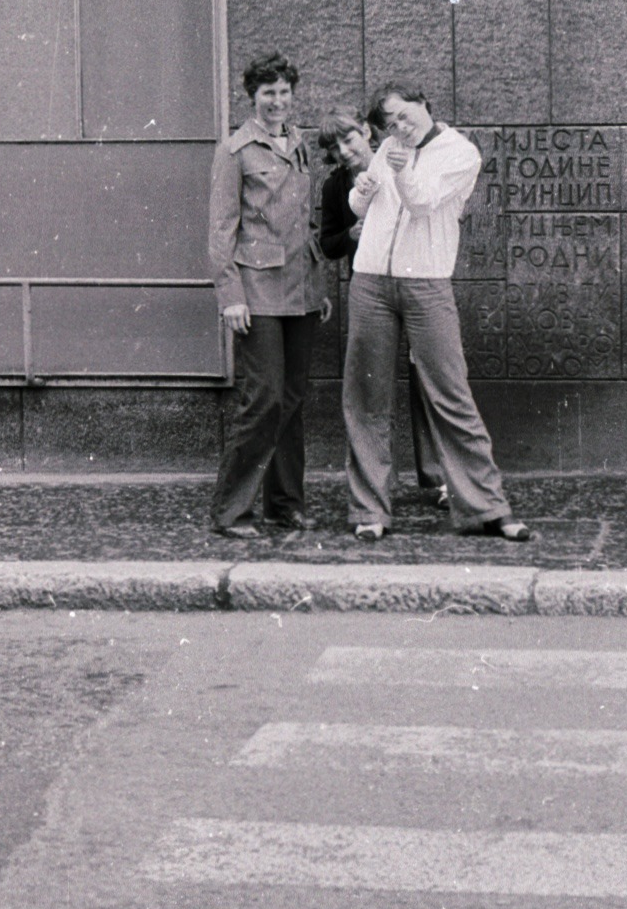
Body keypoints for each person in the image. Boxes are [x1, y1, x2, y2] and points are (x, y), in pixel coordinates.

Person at [341, 77, 529, 542]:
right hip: (370, 281)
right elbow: (359, 209)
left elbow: (422, 202)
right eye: (390, 122)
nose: (400, 127)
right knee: (366, 398)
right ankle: (370, 510)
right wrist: (362, 191)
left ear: (425, 105)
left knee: (450, 394)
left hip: (426, 282)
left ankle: (487, 506)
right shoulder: (387, 150)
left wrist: (401, 169)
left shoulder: (461, 152)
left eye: (406, 115)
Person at [208, 51, 330, 538]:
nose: (277, 102)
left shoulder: (299, 144)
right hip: (256, 292)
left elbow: (307, 224)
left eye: (284, 93)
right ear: (253, 97)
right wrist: (230, 295)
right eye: (268, 94)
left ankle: (286, 505)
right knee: (263, 399)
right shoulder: (235, 150)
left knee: (293, 400)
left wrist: (317, 287)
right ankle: (230, 511)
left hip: (300, 291)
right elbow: (221, 231)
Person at [317, 107, 448, 508]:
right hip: (372, 286)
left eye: (349, 137)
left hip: (418, 278)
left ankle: (440, 479)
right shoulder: (336, 185)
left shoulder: (398, 157)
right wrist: (350, 234)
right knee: (372, 386)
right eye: (335, 146)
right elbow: (328, 242)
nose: (344, 150)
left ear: (366, 131)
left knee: (428, 378)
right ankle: (377, 485)